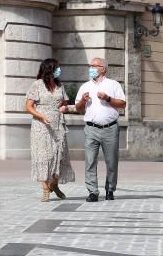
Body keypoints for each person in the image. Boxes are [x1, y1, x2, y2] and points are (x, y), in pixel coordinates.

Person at [75, 57, 126, 202]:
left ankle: (110, 189)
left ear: (103, 68)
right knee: (90, 161)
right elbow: (78, 109)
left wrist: (108, 98)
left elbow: (123, 104)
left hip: (110, 129)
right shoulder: (85, 86)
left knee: (111, 162)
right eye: (90, 65)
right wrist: (83, 101)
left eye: (94, 65)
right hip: (91, 129)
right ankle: (92, 192)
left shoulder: (113, 84)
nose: (91, 68)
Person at [25, 58, 75, 202]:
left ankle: (54, 184)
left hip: (58, 126)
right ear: (49, 69)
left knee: (59, 157)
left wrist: (64, 108)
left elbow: (64, 103)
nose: (59, 70)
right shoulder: (37, 85)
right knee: (43, 157)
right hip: (41, 127)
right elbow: (28, 107)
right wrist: (41, 116)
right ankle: (45, 188)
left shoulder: (60, 85)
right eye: (57, 68)